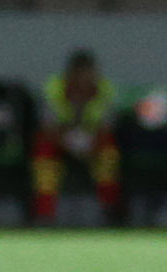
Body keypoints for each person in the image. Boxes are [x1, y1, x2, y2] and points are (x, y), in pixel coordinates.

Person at [34, 49, 122, 223]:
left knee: (109, 153)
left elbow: (107, 127)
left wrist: (87, 144)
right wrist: (68, 143)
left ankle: (109, 209)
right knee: (43, 151)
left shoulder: (105, 90)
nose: (83, 80)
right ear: (70, 74)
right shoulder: (53, 88)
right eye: (78, 75)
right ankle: (45, 213)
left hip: (93, 140)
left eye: (88, 75)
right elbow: (47, 127)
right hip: (61, 139)